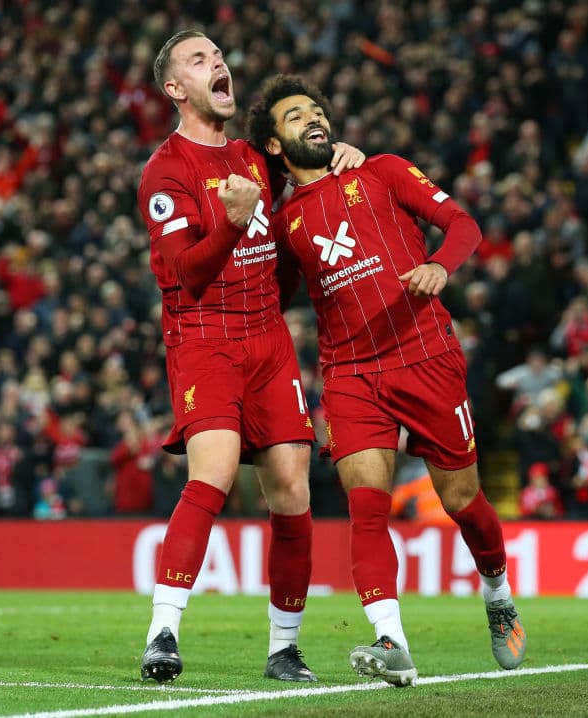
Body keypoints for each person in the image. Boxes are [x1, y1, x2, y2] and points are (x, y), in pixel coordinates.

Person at [247, 75, 527, 686]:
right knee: (366, 507)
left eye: (317, 110)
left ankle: (498, 593)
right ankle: (391, 641)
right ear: (274, 145)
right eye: (296, 116)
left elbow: (463, 225)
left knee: (462, 501)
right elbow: (274, 297)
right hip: (350, 374)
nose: (314, 118)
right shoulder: (284, 223)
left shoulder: (382, 171)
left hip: (425, 356)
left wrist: (439, 266)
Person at [136, 32, 365, 684]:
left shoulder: (253, 157)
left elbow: (310, 174)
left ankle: (284, 648)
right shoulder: (166, 172)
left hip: (267, 337)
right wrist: (234, 220)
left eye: (218, 55)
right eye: (199, 60)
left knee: (292, 487)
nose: (219, 64)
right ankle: (162, 634)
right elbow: (187, 274)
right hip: (203, 336)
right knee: (212, 473)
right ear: (175, 88)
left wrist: (341, 155)